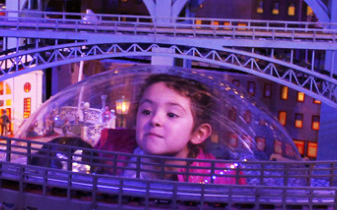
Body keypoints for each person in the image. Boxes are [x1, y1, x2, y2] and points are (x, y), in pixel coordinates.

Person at [94, 72, 240, 184]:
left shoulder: (220, 179)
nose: (155, 120)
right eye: (146, 111)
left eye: (171, 114)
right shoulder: (109, 153)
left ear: (199, 133)